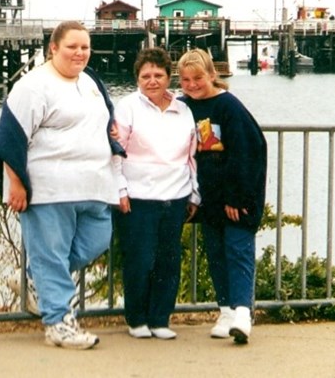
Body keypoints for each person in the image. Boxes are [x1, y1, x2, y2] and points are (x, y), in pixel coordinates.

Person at [0, 20, 125, 350]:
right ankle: (58, 323)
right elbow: (11, 137)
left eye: (85, 47)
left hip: (94, 186)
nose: (80, 53)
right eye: (72, 47)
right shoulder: (33, 86)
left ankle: (36, 281)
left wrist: (113, 133)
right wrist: (16, 183)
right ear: (53, 48)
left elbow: (105, 119)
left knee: (97, 241)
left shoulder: (91, 82)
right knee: (51, 255)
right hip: (50, 189)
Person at [177, 48, 267, 344]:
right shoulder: (183, 107)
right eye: (185, 79)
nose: (192, 84)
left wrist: (237, 197)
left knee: (237, 250)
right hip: (207, 198)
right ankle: (226, 310)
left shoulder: (229, 107)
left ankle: (243, 312)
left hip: (235, 198)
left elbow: (247, 151)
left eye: (198, 78)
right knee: (215, 253)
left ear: (212, 75)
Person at [113, 47, 200, 340]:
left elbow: (192, 156)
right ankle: (137, 318)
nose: (152, 81)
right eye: (145, 76)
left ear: (168, 76)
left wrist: (194, 194)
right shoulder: (127, 108)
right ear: (137, 78)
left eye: (158, 75)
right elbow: (114, 153)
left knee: (168, 259)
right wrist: (120, 189)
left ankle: (160, 318)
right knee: (140, 259)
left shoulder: (184, 109)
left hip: (175, 197)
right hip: (138, 198)